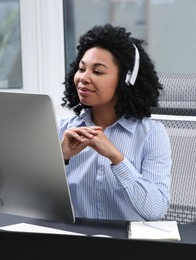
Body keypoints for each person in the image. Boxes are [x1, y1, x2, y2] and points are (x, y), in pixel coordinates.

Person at [58, 23, 172, 221]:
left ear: (126, 80)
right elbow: (30, 203)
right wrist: (61, 158)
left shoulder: (151, 134)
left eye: (98, 71)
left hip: (128, 247)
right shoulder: (62, 131)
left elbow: (156, 210)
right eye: (81, 69)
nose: (83, 78)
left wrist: (116, 157)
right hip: (73, 244)